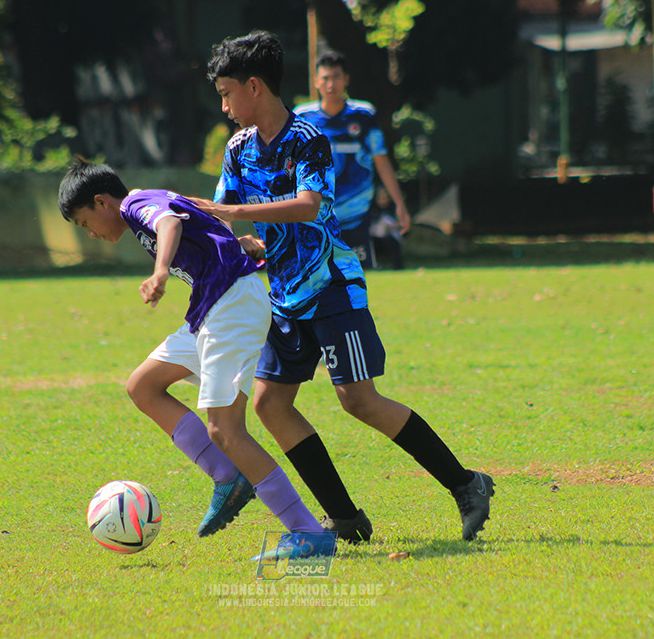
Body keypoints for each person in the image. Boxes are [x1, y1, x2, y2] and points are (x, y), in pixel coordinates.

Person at [195, 30, 494, 545]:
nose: (224, 106)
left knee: (358, 399)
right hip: (284, 295)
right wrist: (209, 235)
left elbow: (310, 206)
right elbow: (222, 216)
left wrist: (238, 213)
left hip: (331, 285)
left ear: (255, 86)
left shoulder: (309, 139)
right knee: (271, 405)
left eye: (227, 93)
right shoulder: (238, 149)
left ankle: (467, 485)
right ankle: (345, 517)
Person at [57, 158, 335, 562]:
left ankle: (308, 532)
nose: (92, 234)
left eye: (85, 224)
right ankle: (227, 476)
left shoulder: (137, 205)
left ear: (101, 202)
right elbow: (206, 229)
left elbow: (170, 224)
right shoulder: (148, 205)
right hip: (209, 309)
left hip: (230, 307)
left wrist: (161, 271)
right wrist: (240, 248)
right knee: (143, 386)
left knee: (225, 430)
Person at [294, 51, 410, 269]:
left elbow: (381, 160)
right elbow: (291, 164)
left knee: (358, 278)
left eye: (336, 77)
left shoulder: (364, 115)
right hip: (318, 215)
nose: (331, 84)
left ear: (346, 79)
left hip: (357, 215)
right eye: (325, 78)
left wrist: (399, 203)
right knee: (319, 278)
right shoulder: (303, 117)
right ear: (317, 81)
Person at [368, 186, 404, 270]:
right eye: (381, 197)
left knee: (391, 243)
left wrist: (394, 225)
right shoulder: (372, 209)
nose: (383, 200)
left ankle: (397, 267)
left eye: (385, 197)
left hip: (390, 236)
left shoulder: (394, 208)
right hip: (375, 237)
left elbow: (402, 224)